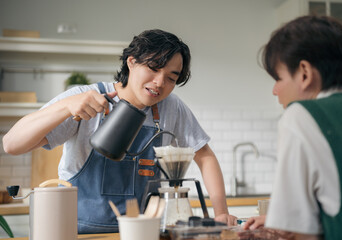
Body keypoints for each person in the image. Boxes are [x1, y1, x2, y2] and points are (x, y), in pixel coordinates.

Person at [2, 29, 237, 233]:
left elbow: (204, 156)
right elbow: (11, 144)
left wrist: (221, 213)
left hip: (142, 231)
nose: (159, 82)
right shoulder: (85, 98)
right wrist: (65, 106)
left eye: (171, 77)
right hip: (77, 230)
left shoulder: (170, 107)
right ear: (131, 62)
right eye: (153, 68)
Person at [243, 15, 342, 240]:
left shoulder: (301, 115)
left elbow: (307, 237)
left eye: (278, 78)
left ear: (304, 73)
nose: (275, 90)